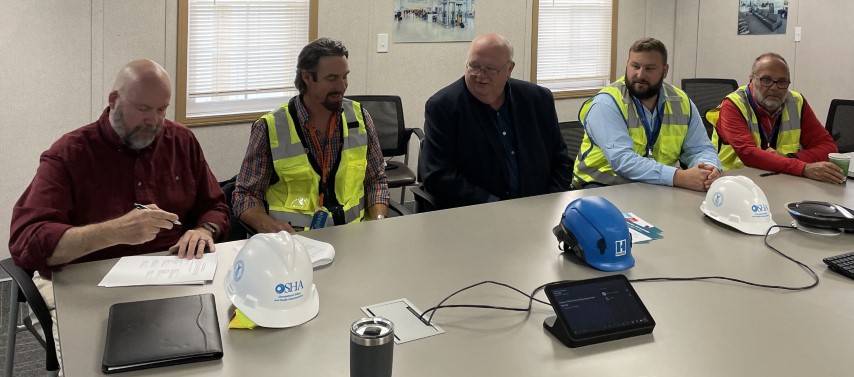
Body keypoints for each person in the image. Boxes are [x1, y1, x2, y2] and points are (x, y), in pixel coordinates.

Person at [9, 59, 230, 372]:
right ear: (114, 100)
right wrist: (114, 231)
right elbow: (26, 243)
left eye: (162, 110)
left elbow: (216, 205)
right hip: (86, 281)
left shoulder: (181, 141)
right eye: (143, 109)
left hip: (170, 276)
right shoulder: (70, 154)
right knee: (94, 367)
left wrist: (205, 230)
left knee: (210, 356)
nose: (154, 121)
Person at [232, 38, 389, 233]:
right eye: (332, 78)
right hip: (296, 242)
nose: (342, 86)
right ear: (307, 77)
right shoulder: (270, 128)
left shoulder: (360, 118)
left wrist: (380, 221)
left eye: (345, 77)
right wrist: (268, 225)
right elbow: (245, 195)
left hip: (353, 237)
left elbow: (375, 181)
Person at [419, 33, 572, 209]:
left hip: (539, 209)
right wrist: (495, 206)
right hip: (476, 212)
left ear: (509, 69)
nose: (480, 75)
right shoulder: (443, 107)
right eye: (474, 66)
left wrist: (547, 201)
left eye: (490, 69)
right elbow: (438, 175)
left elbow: (561, 161)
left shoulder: (538, 100)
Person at [572, 37, 722, 191]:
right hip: (600, 187)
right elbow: (622, 160)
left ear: (665, 71)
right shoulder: (607, 103)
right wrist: (678, 177)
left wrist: (709, 170)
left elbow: (700, 148)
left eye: (649, 69)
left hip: (654, 186)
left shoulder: (681, 102)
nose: (640, 74)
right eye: (635, 66)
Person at [707, 52, 843, 184]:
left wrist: (790, 157)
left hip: (781, 179)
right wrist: (803, 168)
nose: (774, 88)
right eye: (766, 80)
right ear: (751, 80)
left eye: (782, 82)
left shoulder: (796, 102)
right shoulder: (733, 105)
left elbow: (828, 147)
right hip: (733, 182)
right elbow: (748, 154)